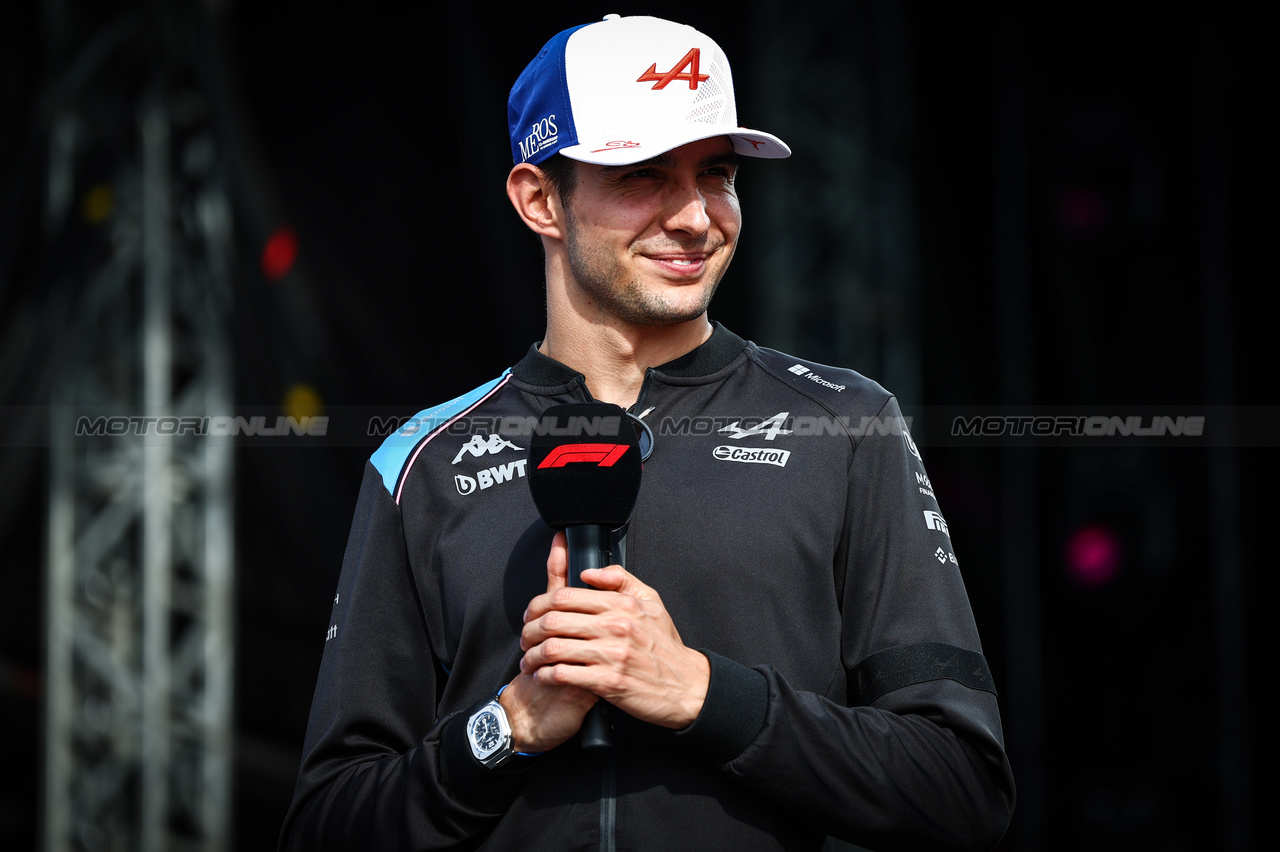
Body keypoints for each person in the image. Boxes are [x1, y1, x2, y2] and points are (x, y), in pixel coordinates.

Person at [280, 15, 1015, 852]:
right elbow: (323, 826)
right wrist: (506, 730)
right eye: (643, 175)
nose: (698, 217)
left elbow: (962, 787)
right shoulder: (422, 459)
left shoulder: (847, 425)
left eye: (717, 175)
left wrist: (701, 694)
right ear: (538, 200)